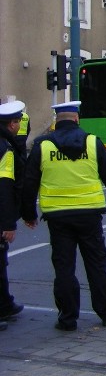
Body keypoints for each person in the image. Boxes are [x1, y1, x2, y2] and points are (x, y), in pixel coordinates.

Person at [21, 101, 106, 332]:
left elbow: (29, 182)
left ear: (57, 121)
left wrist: (28, 214)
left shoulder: (43, 146)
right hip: (90, 214)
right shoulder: (92, 142)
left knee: (64, 268)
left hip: (58, 217)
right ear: (77, 119)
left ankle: (67, 319)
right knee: (97, 264)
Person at [0, 101, 27, 331]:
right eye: (18, 122)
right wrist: (8, 223)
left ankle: (5, 304)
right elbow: (5, 187)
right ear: (12, 124)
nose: (19, 126)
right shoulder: (5, 149)